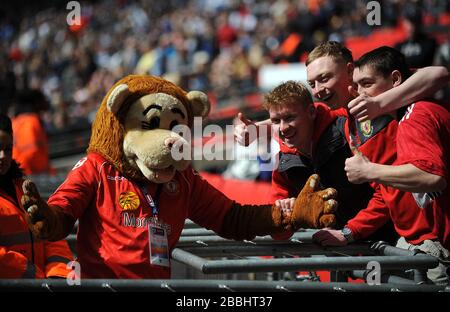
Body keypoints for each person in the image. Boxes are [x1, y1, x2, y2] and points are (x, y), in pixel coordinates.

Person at [316, 46, 450, 284]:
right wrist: (349, 232)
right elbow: (386, 193)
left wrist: (369, 171)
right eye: (312, 83)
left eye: (324, 78)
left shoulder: (415, 113)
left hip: (435, 245)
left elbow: (438, 74)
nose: (318, 89)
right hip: (411, 241)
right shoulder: (352, 123)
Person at [0, 113, 73, 278]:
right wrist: (32, 276)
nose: (2, 156)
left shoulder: (22, 187)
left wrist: (58, 274)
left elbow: (51, 232)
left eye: (7, 148)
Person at [11, 89, 52, 175]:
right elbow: (30, 153)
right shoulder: (31, 121)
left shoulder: (14, 122)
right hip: (30, 175)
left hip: (19, 173)